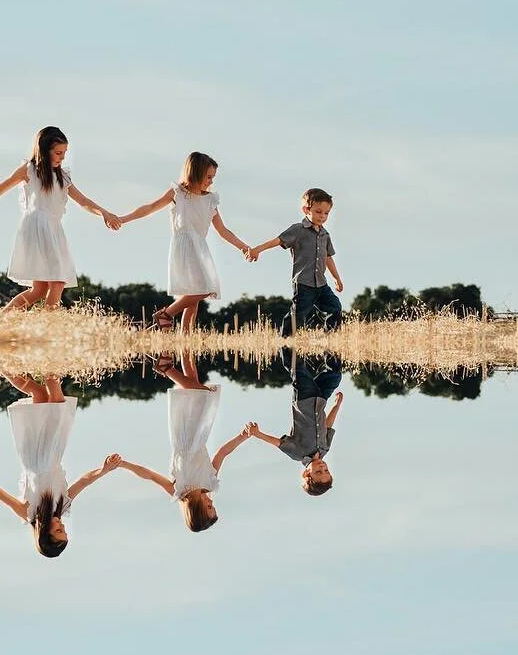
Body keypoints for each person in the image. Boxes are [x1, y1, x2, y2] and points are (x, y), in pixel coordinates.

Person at [0, 126, 121, 311]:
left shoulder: (63, 177)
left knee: (39, 289)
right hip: (37, 226)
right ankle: (48, 326)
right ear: (44, 150)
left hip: (53, 229)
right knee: (57, 281)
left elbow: (83, 201)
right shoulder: (29, 170)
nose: (62, 157)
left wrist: (104, 212)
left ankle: (1, 319)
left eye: (64, 153)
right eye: (57, 153)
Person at [0, 376, 121, 557]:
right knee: (39, 394)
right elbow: (84, 482)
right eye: (64, 530)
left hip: (40, 460)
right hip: (47, 456)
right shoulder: (62, 506)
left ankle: (48, 366)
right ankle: (6, 365)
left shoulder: (29, 513)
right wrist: (104, 470)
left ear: (45, 533)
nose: (62, 526)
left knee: (57, 404)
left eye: (58, 531)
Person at [112, 351, 254, 531]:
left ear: (197, 510)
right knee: (193, 381)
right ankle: (185, 329)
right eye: (213, 505)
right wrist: (242, 436)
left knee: (202, 394)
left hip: (183, 437)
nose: (211, 501)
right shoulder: (210, 483)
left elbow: (149, 475)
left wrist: (124, 464)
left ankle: (166, 368)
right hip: (200, 435)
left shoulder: (178, 491)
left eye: (209, 507)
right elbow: (222, 453)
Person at [115, 151, 250, 331]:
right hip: (183, 247)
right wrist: (124, 218)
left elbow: (223, 231)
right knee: (204, 289)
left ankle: (185, 342)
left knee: (192, 302)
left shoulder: (210, 200)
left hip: (200, 248)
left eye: (213, 177)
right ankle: (166, 314)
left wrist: (243, 247)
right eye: (208, 176)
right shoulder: (177, 193)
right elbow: (150, 207)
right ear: (195, 172)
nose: (211, 181)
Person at [245, 352, 345, 496]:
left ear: (306, 474)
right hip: (321, 400)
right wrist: (337, 406)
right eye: (326, 470)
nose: (322, 467)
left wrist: (258, 434)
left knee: (297, 369)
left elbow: (278, 443)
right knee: (335, 375)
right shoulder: (325, 449)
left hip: (304, 399)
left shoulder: (297, 453)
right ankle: (328, 334)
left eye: (318, 472)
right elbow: (327, 426)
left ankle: (286, 339)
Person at [245, 187, 344, 330]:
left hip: (321, 284)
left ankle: (329, 337)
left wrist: (336, 278)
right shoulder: (298, 230)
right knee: (298, 315)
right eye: (318, 211)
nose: (322, 216)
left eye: (326, 213)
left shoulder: (325, 235)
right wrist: (257, 250)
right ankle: (285, 339)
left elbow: (327, 257)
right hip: (304, 284)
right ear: (306, 210)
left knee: (335, 307)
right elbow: (278, 240)